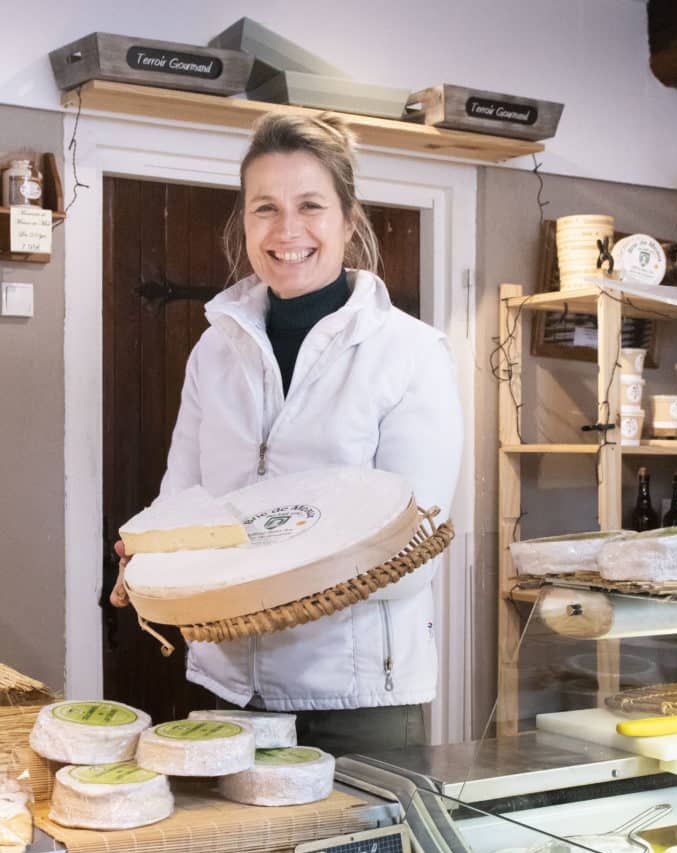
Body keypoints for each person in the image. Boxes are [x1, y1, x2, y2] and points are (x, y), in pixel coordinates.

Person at [111, 113, 461, 753]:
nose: (287, 230)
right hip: (226, 687)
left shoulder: (410, 354)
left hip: (355, 698)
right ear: (242, 222)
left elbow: (415, 543)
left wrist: (258, 592)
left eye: (310, 206)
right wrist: (152, 551)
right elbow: (183, 502)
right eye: (264, 208)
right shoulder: (214, 352)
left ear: (349, 221)